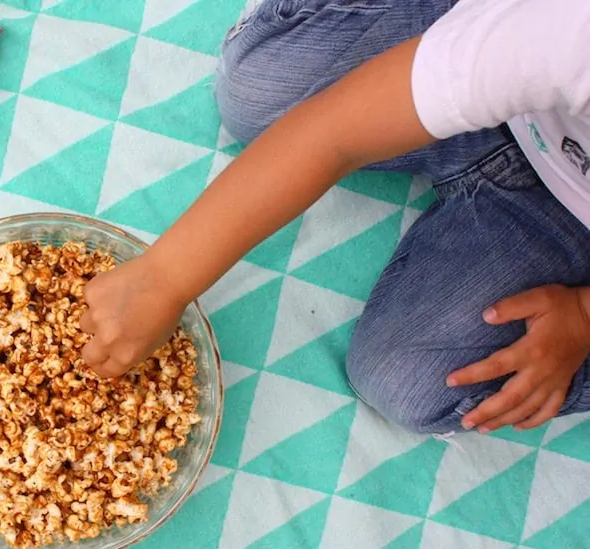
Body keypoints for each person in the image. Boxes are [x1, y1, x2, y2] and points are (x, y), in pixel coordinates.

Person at [79, 0, 590, 435]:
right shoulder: (564, 30)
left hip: (566, 215)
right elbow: (335, 134)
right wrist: (164, 277)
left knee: (407, 383)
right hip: (507, 53)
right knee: (255, 93)